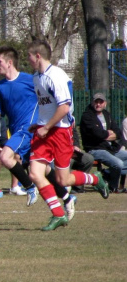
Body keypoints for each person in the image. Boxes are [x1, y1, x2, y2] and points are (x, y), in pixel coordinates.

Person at [26, 40, 109, 231]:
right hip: (44, 131)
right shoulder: (37, 77)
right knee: (35, 174)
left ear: (38, 55)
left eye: (29, 56)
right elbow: (47, 106)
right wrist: (39, 124)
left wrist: (46, 127)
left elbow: (64, 107)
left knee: (63, 180)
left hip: (60, 132)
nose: (28, 60)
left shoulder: (56, 76)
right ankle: (58, 215)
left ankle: (95, 179)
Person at [0, 46, 75, 215]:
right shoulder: (0, 86)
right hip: (20, 129)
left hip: (28, 128)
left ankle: (29, 187)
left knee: (5, 156)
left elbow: (51, 94)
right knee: (42, 170)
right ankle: (66, 197)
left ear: (9, 63)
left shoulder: (30, 79)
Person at [80, 92, 127, 193]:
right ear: (92, 102)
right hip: (95, 149)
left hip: (110, 148)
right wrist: (107, 134)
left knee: (121, 160)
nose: (98, 104)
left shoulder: (107, 114)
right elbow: (96, 134)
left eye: (101, 102)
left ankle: (107, 173)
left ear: (105, 103)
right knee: (118, 163)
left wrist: (105, 135)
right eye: (96, 102)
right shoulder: (87, 116)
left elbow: (118, 133)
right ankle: (112, 187)